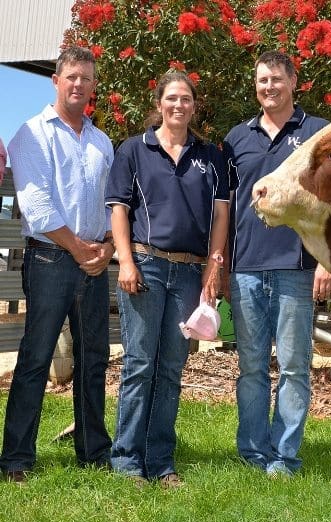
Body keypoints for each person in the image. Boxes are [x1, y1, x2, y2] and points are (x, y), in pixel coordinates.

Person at [106, 71, 229, 487]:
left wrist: (214, 268)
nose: (179, 105)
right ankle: (125, 461)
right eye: (172, 98)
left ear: (195, 106)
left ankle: (161, 462)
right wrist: (125, 261)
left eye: (187, 99)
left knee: (172, 368)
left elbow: (221, 217)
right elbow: (119, 210)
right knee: (140, 365)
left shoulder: (210, 157)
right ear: (159, 104)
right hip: (146, 266)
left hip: (190, 272)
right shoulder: (132, 151)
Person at [1, 47, 115, 483]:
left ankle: (93, 451)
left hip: (92, 262)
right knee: (35, 357)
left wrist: (105, 247)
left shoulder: (101, 142)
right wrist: (77, 248)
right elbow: (36, 204)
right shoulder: (31, 134)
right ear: (56, 80)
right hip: (50, 260)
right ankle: (16, 457)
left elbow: (110, 204)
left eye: (86, 78)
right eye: (71, 76)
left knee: (93, 358)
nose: (78, 84)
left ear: (92, 85)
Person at [223, 51, 331, 478]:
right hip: (246, 268)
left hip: (297, 267)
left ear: (293, 82)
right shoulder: (237, 138)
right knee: (250, 367)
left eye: (275, 79)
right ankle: (253, 452)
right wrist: (223, 266)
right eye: (261, 80)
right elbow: (226, 207)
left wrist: (326, 261)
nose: (268, 86)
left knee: (293, 366)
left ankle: (284, 457)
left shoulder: (316, 133)